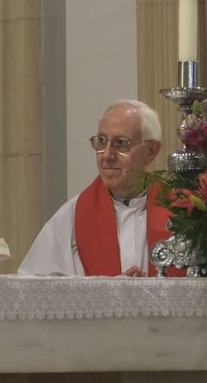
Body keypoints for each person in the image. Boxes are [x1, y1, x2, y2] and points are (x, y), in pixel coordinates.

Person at [19, 99, 174, 276]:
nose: (107, 155)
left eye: (121, 143)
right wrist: (109, 294)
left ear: (151, 151)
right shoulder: (72, 216)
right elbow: (33, 287)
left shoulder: (181, 214)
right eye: (101, 141)